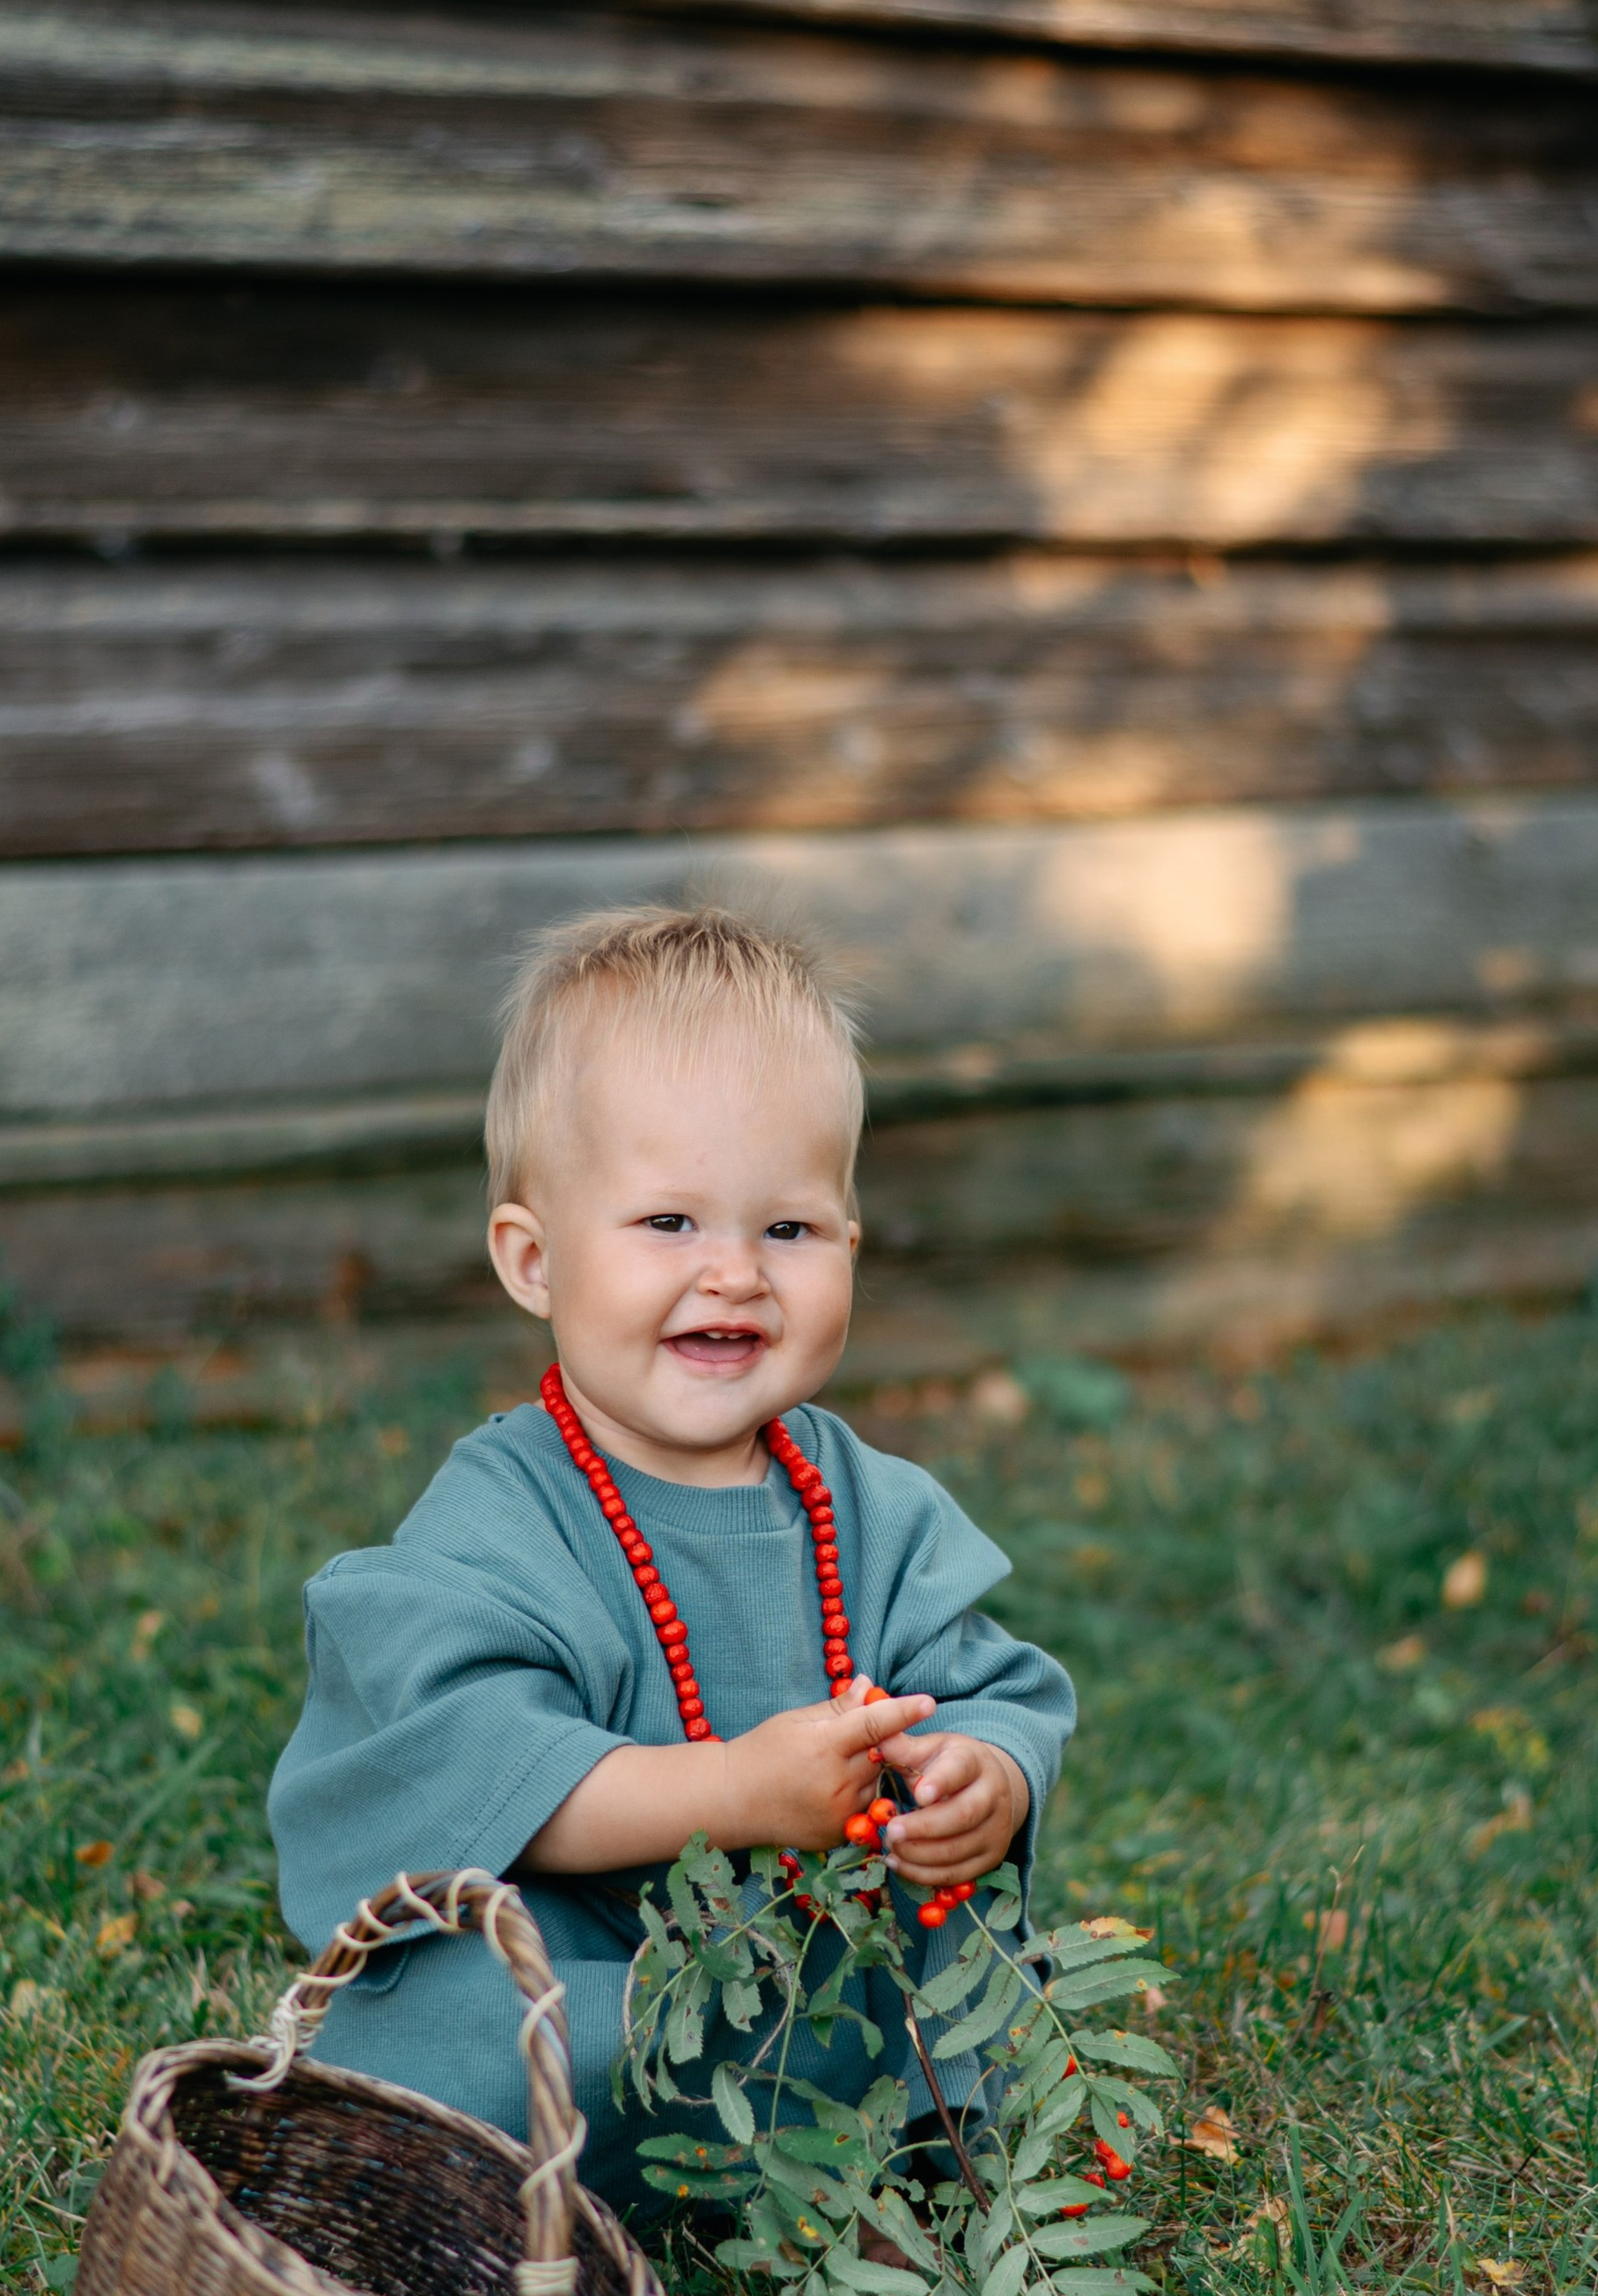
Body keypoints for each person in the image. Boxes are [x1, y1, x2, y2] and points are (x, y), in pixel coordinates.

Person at [268, 904, 1074, 2215]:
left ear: (851, 1245)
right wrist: (735, 1792)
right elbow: (474, 1771)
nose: (734, 1275)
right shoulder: (506, 1511)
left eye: (788, 1231)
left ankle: (887, 2161)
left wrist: (980, 1775)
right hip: (599, 1976)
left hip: (817, 1958)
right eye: (668, 1222)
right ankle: (544, 2171)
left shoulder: (871, 1509)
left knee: (963, 1948)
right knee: (467, 2013)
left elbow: (989, 1686)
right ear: (534, 1260)